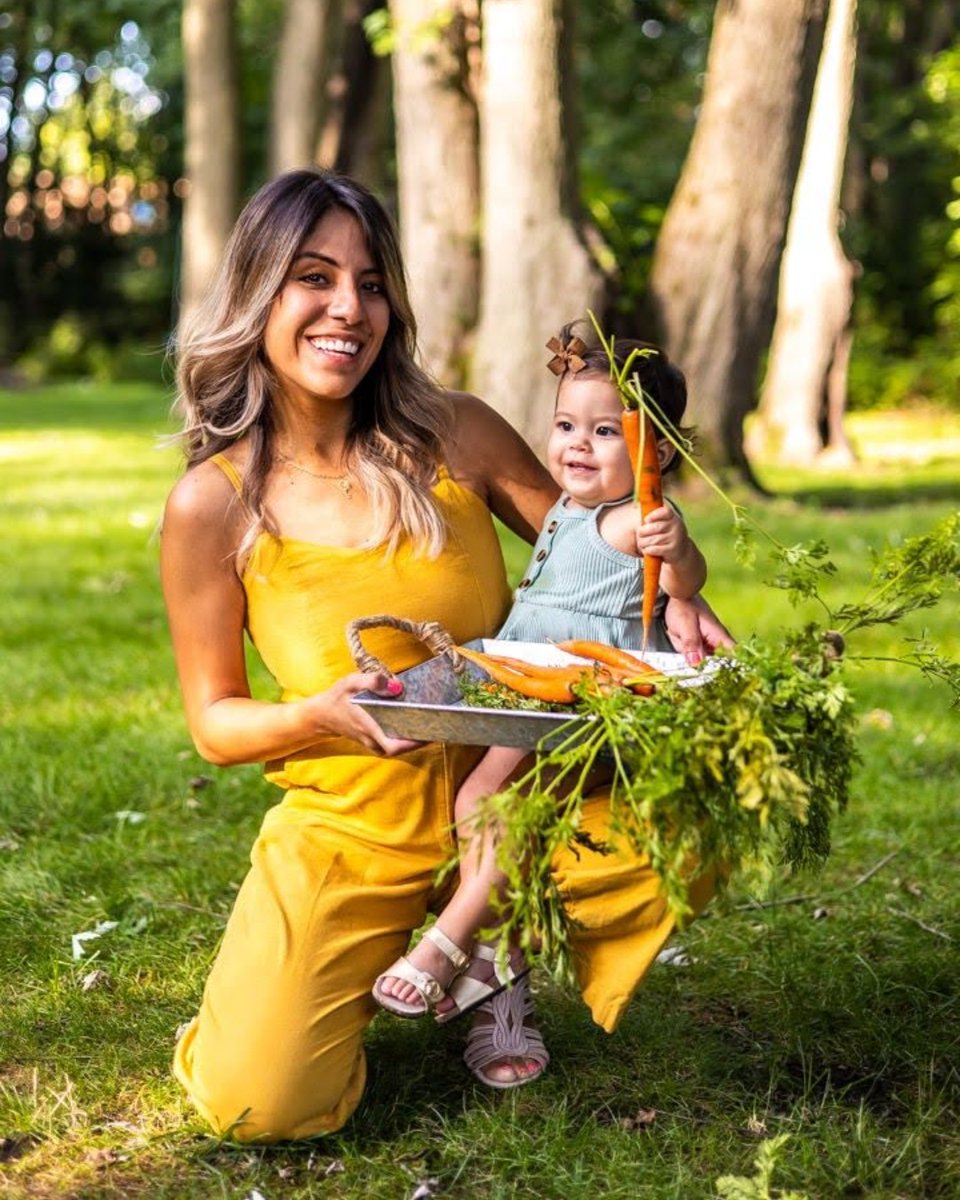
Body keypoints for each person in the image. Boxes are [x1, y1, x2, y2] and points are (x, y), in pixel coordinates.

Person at [161, 167, 730, 1142]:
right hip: (356, 828)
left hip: (513, 802)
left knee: (707, 790)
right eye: (314, 277)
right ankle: (313, 980)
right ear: (258, 291)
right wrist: (318, 714)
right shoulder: (214, 502)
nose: (349, 307)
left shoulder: (456, 433)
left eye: (372, 282)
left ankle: (487, 950)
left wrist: (688, 600)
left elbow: (598, 549)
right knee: (257, 1102)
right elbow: (216, 722)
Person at [372, 328, 707, 1073]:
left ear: (655, 457)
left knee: (498, 802)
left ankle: (450, 939)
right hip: (529, 686)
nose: (576, 445)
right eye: (564, 426)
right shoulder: (567, 506)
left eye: (603, 432)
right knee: (478, 799)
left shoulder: (635, 519)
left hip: (586, 699)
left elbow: (680, 571)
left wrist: (679, 555)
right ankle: (500, 956)